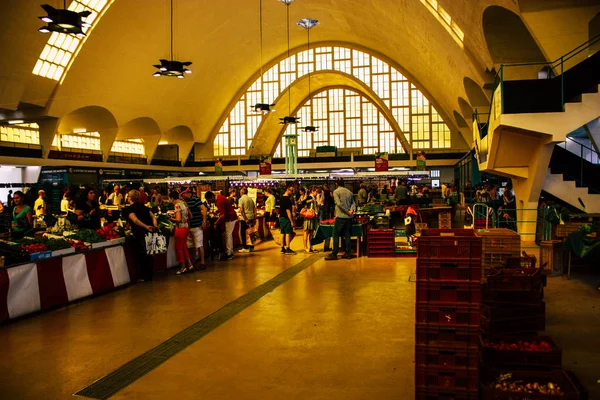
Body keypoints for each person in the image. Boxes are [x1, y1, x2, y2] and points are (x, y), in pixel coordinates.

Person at [124, 190, 158, 282]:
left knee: (141, 255)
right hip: (149, 234)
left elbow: (135, 220)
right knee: (149, 254)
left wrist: (146, 227)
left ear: (130, 198)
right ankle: (150, 274)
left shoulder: (130, 209)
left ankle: (143, 276)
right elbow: (153, 216)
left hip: (139, 234)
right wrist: (154, 225)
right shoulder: (144, 207)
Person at [325, 179, 356, 261]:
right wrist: (351, 211)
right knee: (347, 235)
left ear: (336, 184)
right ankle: (348, 253)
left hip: (340, 217)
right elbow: (353, 203)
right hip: (349, 218)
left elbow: (338, 204)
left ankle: (334, 254)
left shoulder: (336, 192)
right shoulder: (349, 192)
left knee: (335, 235)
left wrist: (346, 211)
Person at [205, 190, 237, 261]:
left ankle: (229, 254)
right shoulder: (220, 197)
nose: (210, 202)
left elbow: (222, 215)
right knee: (229, 235)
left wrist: (216, 223)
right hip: (230, 218)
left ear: (213, 197)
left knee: (228, 235)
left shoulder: (219, 200)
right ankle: (230, 252)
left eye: (210, 200)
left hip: (230, 218)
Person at [169, 190, 194, 275]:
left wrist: (171, 218)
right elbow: (190, 216)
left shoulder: (177, 206)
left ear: (172, 198)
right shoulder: (184, 203)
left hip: (180, 229)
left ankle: (183, 267)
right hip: (186, 227)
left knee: (179, 249)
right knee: (184, 247)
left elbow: (178, 219)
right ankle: (190, 264)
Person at [181, 187, 207, 269]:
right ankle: (193, 261)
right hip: (189, 226)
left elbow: (204, 209)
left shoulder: (195, 199)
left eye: (183, 194)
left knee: (199, 245)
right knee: (190, 245)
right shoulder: (186, 201)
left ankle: (202, 263)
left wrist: (204, 221)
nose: (182, 196)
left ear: (186, 193)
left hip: (197, 226)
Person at [237, 187, 257, 253]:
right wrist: (255, 218)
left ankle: (245, 247)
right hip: (251, 217)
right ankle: (251, 247)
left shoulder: (241, 199)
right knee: (251, 233)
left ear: (242, 192)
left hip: (245, 218)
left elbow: (241, 210)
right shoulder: (251, 199)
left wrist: (245, 219)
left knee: (243, 233)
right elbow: (254, 210)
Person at [279, 184, 296, 254]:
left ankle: (282, 248)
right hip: (286, 218)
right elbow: (288, 211)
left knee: (282, 232)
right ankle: (288, 248)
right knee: (288, 233)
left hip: (281, 217)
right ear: (288, 190)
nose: (292, 192)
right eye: (291, 191)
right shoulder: (287, 199)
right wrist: (291, 221)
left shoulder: (282, 198)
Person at [302, 186, 319, 253]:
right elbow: (303, 202)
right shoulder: (310, 197)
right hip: (308, 217)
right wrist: (309, 201)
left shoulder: (314, 198)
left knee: (311, 232)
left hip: (312, 216)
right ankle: (305, 247)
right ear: (312, 191)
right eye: (316, 192)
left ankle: (311, 246)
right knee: (306, 232)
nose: (317, 193)